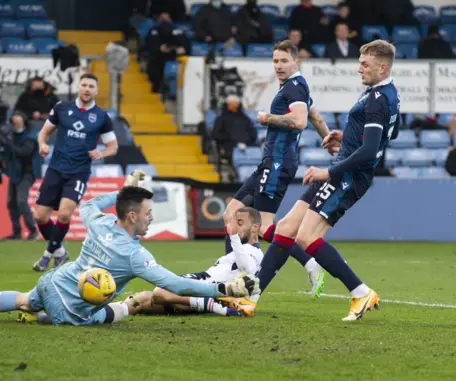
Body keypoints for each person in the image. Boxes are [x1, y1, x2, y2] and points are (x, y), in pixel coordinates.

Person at [0, 171, 255, 326]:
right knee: (131, 305)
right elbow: (174, 284)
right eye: (147, 213)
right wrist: (223, 287)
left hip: (53, 282)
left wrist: (123, 188)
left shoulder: (99, 222)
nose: (151, 217)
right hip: (73, 313)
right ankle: (42, 317)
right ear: (132, 216)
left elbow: (87, 203)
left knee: (23, 299)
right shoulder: (135, 256)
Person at [253, 40, 401, 321]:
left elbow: (371, 151)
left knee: (307, 237)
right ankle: (251, 296)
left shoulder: (378, 99)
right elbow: (388, 135)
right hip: (343, 168)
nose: (359, 69)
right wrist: (346, 140)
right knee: (285, 227)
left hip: (347, 177)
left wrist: (329, 172)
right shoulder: (385, 93)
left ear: (382, 67)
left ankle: (360, 292)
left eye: (365, 64)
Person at [223, 40, 331, 299]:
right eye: (275, 61)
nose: (279, 66)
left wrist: (266, 118)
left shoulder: (294, 87)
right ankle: (230, 272)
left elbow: (300, 120)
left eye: (284, 60)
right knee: (231, 213)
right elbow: (315, 118)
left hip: (278, 162)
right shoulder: (297, 87)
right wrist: (328, 140)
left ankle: (311, 263)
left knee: (266, 227)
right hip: (270, 161)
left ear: (296, 62)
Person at [32, 73, 119, 271]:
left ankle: (47, 255)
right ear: (78, 87)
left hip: (78, 172)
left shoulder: (101, 117)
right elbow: (44, 132)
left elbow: (113, 147)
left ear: (96, 91)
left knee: (64, 214)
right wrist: (42, 144)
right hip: (55, 169)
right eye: (84, 85)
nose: (87, 89)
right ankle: (60, 253)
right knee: (40, 217)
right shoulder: (62, 108)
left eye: (91, 86)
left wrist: (102, 152)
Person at [128, 206, 263, 318]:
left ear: (255, 228)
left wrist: (233, 236)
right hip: (201, 287)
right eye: (234, 223)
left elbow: (248, 270)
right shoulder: (240, 250)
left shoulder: (253, 251)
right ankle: (112, 308)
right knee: (139, 302)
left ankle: (215, 306)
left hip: (209, 288)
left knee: (160, 292)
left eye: (240, 223)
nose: (235, 227)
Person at [0, 111, 40, 241]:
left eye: (19, 117)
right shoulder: (10, 135)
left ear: (23, 120)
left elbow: (24, 152)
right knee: (11, 203)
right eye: (14, 118)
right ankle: (17, 232)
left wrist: (9, 144)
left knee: (21, 200)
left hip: (27, 173)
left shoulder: (30, 135)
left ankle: (33, 230)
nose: (16, 119)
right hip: (14, 172)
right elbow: (7, 152)